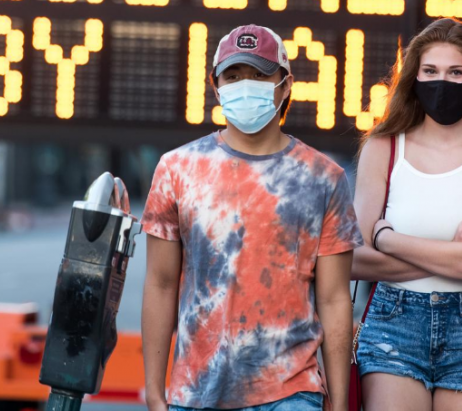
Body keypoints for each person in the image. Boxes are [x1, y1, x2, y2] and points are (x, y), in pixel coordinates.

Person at [141, 24, 363, 411]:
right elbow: (160, 285)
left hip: (291, 393)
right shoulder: (176, 169)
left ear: (286, 85)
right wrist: (156, 394)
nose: (246, 85)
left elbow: (333, 298)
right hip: (196, 392)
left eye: (260, 75)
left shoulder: (324, 178)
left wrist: (340, 403)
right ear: (216, 86)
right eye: (234, 75)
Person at [351, 17, 462, 411]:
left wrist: (389, 240)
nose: (442, 83)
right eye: (430, 71)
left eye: (456, 72)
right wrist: (452, 251)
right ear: (413, 77)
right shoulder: (383, 148)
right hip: (393, 320)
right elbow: (353, 259)